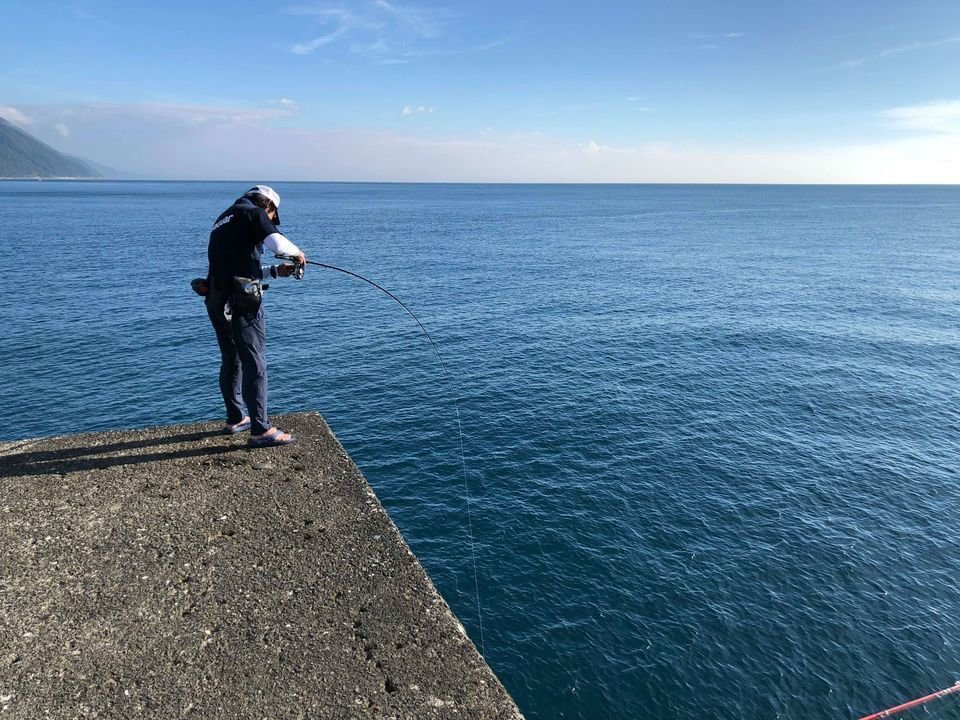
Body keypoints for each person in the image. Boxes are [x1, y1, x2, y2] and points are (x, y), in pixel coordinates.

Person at [205, 185, 306, 447]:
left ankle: (236, 418)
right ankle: (261, 430)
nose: (271, 220)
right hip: (243, 301)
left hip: (217, 297)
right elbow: (278, 243)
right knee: (255, 361)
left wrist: (275, 271)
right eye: (273, 216)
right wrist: (297, 255)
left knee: (232, 358)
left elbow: (238, 266)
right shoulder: (254, 213)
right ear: (268, 206)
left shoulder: (224, 218)